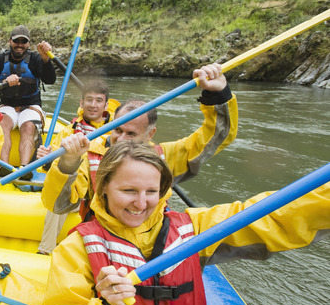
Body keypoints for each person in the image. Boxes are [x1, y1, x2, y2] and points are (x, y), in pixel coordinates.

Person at [42, 141, 330, 305]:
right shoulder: (77, 248)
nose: (141, 203)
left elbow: (272, 215)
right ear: (103, 186)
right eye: (129, 190)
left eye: (151, 191)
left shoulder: (193, 229)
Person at [41, 63, 238, 222]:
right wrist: (67, 163)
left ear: (150, 134)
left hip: (150, 243)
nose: (121, 139)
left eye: (131, 134)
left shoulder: (163, 156)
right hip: (103, 239)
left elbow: (215, 136)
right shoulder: (90, 155)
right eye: (117, 130)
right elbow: (59, 205)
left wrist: (218, 95)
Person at [35, 79, 117, 255]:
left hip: (104, 193)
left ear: (106, 104)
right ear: (82, 103)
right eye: (89, 100)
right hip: (76, 192)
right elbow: (55, 170)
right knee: (57, 201)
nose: (93, 105)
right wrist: (48, 160)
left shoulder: (116, 132)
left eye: (98, 100)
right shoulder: (68, 131)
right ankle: (45, 251)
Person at [0, 25, 56, 177]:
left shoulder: (36, 59)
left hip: (31, 106)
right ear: (10, 41)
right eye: (17, 41)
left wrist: (45, 59)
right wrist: (3, 82)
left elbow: (50, 80)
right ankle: (4, 166)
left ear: (28, 44)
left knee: (28, 127)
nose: (20, 45)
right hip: (8, 105)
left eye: (24, 42)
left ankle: (24, 168)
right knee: (2, 124)